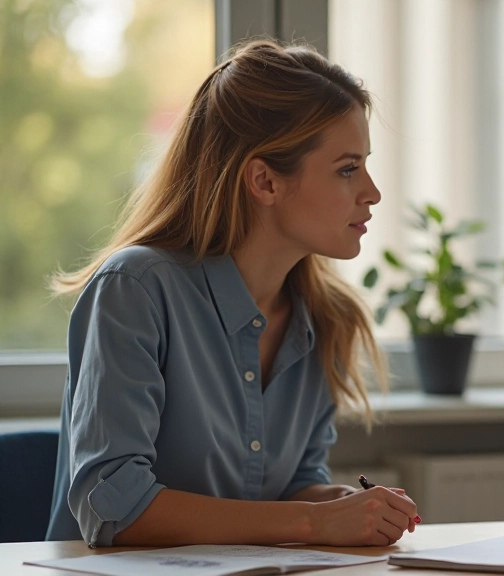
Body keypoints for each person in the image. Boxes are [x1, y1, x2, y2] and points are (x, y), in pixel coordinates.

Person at [46, 39, 420, 548]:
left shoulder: (326, 317)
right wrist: (313, 523)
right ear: (264, 181)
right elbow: (116, 511)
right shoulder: (135, 290)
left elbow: (292, 487)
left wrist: (342, 504)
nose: (372, 191)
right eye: (348, 168)